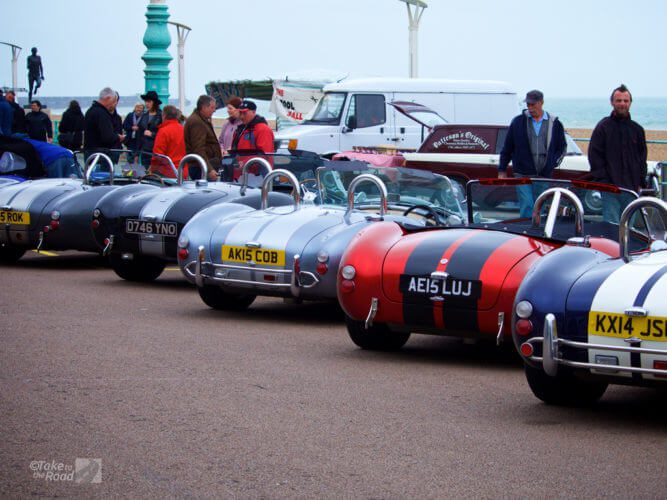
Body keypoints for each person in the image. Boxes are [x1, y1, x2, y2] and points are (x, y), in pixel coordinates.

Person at [498, 90, 566, 218]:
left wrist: (552, 163)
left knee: (541, 206)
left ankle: (540, 233)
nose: (530, 107)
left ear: (541, 103)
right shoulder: (517, 122)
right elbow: (507, 147)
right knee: (527, 205)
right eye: (528, 104)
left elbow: (562, 147)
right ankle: (526, 232)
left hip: (543, 174)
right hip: (522, 173)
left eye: (533, 104)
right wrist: (502, 169)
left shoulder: (555, 123)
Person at [184, 95, 221, 181]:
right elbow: (198, 149)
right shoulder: (197, 122)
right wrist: (209, 169)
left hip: (201, 165)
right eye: (212, 107)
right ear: (204, 107)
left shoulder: (199, 120)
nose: (214, 110)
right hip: (200, 167)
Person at [83, 87, 124, 156]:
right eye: (113, 101)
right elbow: (107, 137)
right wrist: (118, 137)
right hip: (101, 154)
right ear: (108, 98)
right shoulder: (102, 113)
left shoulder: (90, 111)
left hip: (90, 152)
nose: (114, 104)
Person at [150, 105, 186, 178]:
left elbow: (158, 155)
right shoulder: (183, 129)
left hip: (167, 172)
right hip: (182, 170)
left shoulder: (163, 131)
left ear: (164, 116)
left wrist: (152, 170)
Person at [137, 90, 162, 167]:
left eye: (149, 101)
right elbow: (139, 133)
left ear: (154, 102)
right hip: (145, 150)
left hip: (156, 150)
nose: (146, 104)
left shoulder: (161, 115)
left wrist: (152, 134)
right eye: (146, 101)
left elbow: (163, 133)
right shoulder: (144, 115)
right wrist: (136, 153)